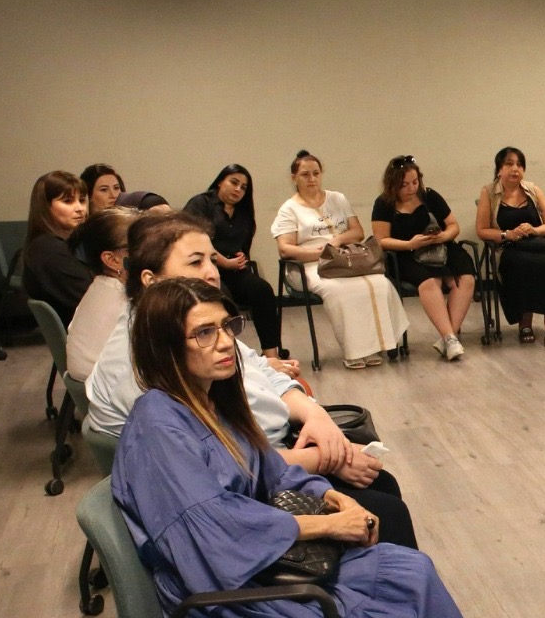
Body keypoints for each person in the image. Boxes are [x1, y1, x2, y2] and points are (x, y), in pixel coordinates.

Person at [111, 277, 545, 618]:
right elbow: (212, 534)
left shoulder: (209, 402)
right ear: (164, 347)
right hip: (223, 607)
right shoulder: (158, 427)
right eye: (204, 333)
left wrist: (332, 497)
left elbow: (272, 471)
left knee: (409, 572)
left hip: (261, 573)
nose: (225, 342)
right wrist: (325, 528)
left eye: (227, 326)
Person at [86, 212, 418, 548]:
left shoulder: (192, 322)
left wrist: (315, 416)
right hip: (241, 495)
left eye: (213, 259)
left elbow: (260, 369)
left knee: (382, 488)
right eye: (196, 262)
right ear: (151, 279)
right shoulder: (143, 362)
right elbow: (218, 470)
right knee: (385, 512)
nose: (212, 272)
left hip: (269, 460)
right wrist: (327, 459)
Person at [271, 150, 408, 369]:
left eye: (316, 173)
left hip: (345, 258)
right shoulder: (289, 209)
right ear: (294, 178)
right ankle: (355, 351)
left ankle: (378, 345)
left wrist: (337, 241)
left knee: (380, 283)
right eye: (305, 174)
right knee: (340, 291)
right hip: (310, 263)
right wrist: (320, 253)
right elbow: (285, 249)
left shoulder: (337, 198)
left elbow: (358, 232)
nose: (312, 179)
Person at [371, 155, 477, 361]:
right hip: (405, 253)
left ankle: (449, 337)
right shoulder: (383, 203)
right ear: (393, 185)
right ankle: (450, 337)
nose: (411, 188)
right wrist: (410, 244)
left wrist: (443, 236)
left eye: (415, 182)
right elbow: (381, 240)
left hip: (440, 248)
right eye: (404, 185)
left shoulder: (430, 196)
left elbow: (453, 225)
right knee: (430, 281)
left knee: (466, 278)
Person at [475, 147, 545, 345]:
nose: (515, 169)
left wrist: (535, 230)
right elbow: (482, 230)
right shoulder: (489, 192)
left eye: (520, 165)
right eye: (509, 164)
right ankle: (525, 323)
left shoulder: (533, 190)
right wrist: (507, 234)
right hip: (510, 246)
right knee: (519, 264)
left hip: (539, 243)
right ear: (499, 170)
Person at [183, 164, 282, 357]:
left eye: (243, 187)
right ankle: (228, 354)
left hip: (233, 271)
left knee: (262, 290)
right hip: (204, 270)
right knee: (222, 297)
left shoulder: (243, 212)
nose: (238, 189)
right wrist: (222, 261)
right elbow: (194, 240)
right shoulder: (201, 203)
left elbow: (243, 244)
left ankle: (271, 353)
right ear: (221, 181)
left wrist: (241, 257)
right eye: (234, 182)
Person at [65, 207, 136, 382]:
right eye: (141, 246)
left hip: (95, 387)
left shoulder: (100, 287)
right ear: (112, 260)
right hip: (114, 390)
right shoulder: (126, 301)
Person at [22, 170, 92, 323]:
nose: (80, 208)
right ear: (45, 207)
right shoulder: (50, 251)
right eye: (68, 201)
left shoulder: (47, 244)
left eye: (82, 200)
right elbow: (93, 300)